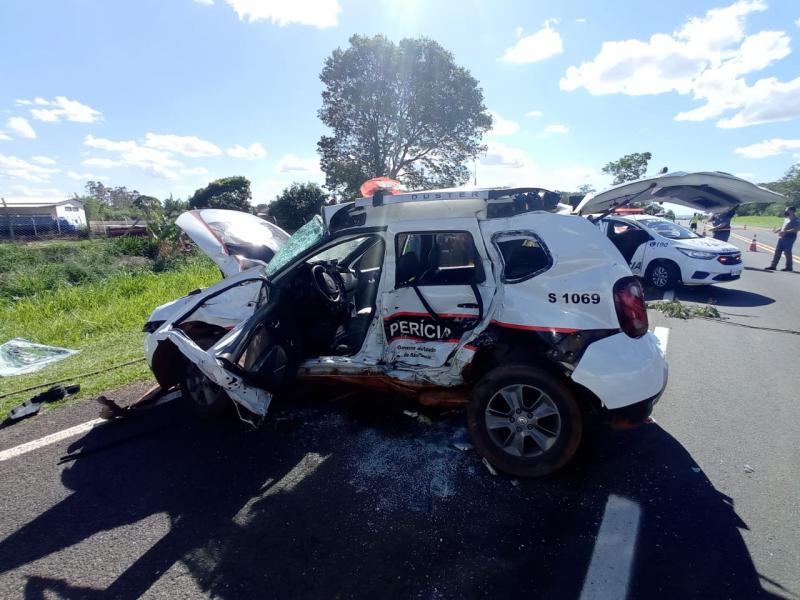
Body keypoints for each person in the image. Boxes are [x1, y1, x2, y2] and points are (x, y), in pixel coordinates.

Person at [765, 206, 799, 272]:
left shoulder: (797, 220)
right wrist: (777, 230)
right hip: (782, 237)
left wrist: (785, 231)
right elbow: (782, 227)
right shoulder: (786, 219)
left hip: (790, 237)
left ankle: (789, 267)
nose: (785, 212)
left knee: (787, 252)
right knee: (778, 251)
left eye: (787, 210)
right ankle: (773, 266)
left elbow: (797, 229)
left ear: (792, 211)